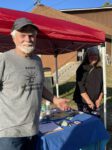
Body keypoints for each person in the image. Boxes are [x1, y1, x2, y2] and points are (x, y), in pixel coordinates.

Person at [0, 18, 70, 150]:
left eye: (31, 35)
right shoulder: (4, 59)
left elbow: (39, 85)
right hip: (9, 133)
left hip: (33, 129)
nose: (28, 39)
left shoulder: (37, 60)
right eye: (23, 35)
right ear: (13, 37)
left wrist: (55, 99)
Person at [73, 46, 103, 114]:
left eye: (95, 54)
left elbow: (102, 86)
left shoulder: (100, 69)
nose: (93, 57)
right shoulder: (82, 68)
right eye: (91, 55)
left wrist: (99, 99)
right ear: (87, 56)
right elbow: (81, 87)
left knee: (95, 120)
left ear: (98, 56)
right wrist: (89, 102)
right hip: (84, 101)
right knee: (86, 120)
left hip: (96, 101)